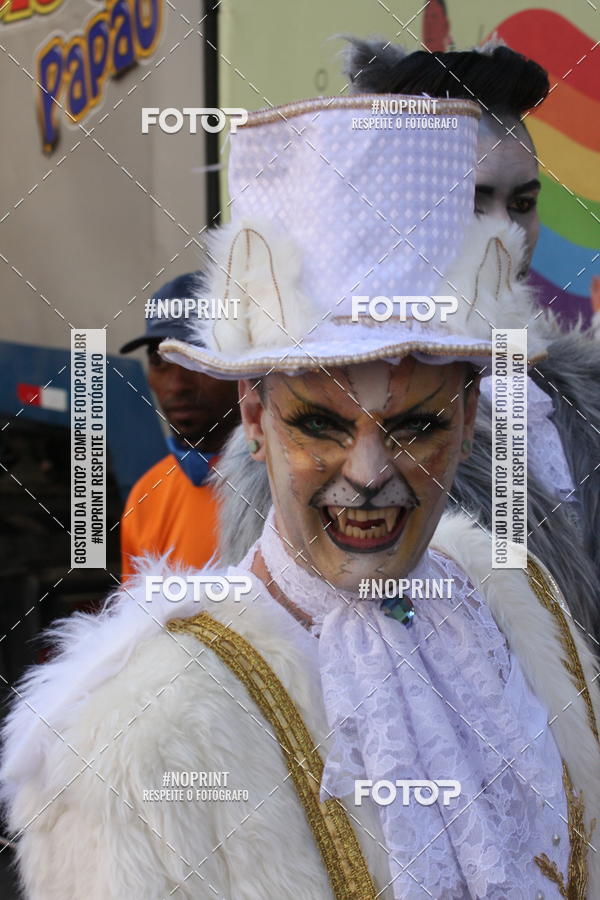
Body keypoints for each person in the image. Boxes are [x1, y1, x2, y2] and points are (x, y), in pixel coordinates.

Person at [1, 93, 599, 899]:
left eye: (416, 425)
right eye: (319, 424)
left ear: (467, 415)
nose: (367, 473)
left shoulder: (522, 608)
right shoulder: (134, 742)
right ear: (254, 416)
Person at [216, 40, 600, 648]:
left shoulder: (573, 391)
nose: (507, 235)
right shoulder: (290, 437)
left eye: (522, 203)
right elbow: (288, 656)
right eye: (473, 201)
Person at [119, 273, 239, 578]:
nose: (177, 385)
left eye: (196, 358)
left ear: (243, 364)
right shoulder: (147, 495)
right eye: (159, 361)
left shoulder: (289, 489)